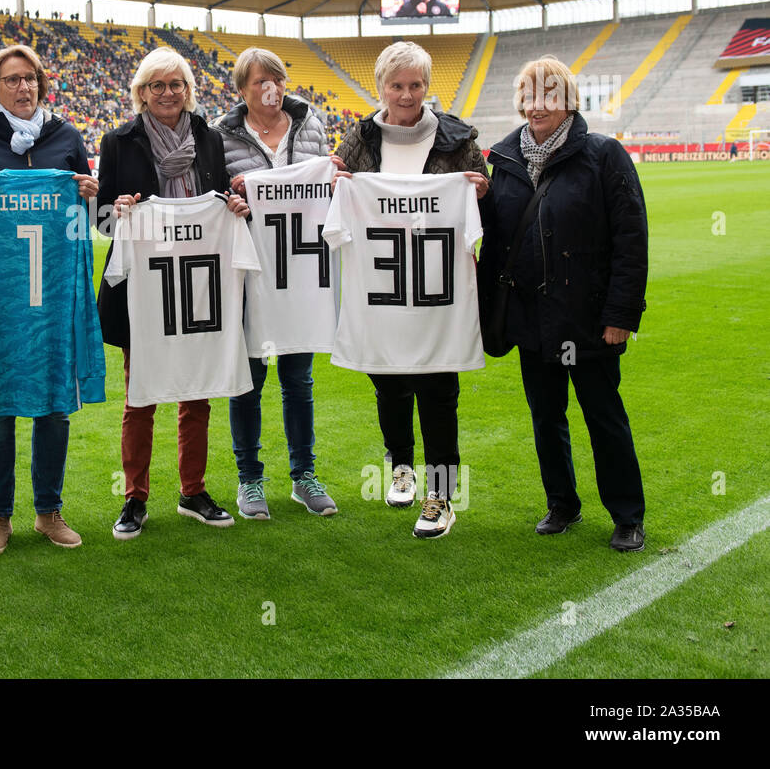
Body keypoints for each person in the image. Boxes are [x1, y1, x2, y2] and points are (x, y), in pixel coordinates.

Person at [479, 55, 648, 551]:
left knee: (603, 415)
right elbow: (496, 240)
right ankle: (562, 504)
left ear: (568, 99)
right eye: (529, 96)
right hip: (531, 319)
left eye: (548, 95)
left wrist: (621, 315)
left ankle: (627, 514)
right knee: (545, 415)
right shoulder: (504, 159)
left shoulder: (603, 154)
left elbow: (630, 240)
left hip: (587, 318)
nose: (537, 106)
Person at [0, 44, 99, 555]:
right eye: (12, 79)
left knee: (55, 404)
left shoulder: (66, 138)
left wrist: (87, 193)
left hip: (53, 294)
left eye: (31, 78)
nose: (24, 87)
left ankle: (48, 511)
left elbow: (87, 221)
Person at [97, 46, 251, 540]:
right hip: (144, 284)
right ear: (141, 93)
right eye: (157, 86)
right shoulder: (118, 141)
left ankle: (193, 490)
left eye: (176, 84)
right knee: (139, 396)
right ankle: (134, 498)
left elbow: (221, 192)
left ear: (189, 89)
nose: (168, 93)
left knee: (198, 391)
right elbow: (101, 219)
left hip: (200, 279)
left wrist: (233, 207)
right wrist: (117, 210)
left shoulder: (209, 137)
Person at [336, 41, 488, 538]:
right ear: (380, 87)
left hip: (439, 290)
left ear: (427, 87)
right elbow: (335, 188)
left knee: (440, 391)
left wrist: (478, 189)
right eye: (396, 85)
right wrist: (337, 180)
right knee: (390, 382)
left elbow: (483, 195)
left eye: (415, 85)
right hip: (380, 288)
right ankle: (400, 463)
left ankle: (441, 495)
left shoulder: (457, 137)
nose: (406, 94)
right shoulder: (358, 138)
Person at [213, 46, 337, 520]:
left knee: (298, 378)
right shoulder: (222, 136)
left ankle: (303, 474)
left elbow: (323, 188)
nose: (271, 88)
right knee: (248, 379)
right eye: (260, 81)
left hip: (301, 270)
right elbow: (215, 195)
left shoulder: (312, 125)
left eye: (277, 79)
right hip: (248, 270)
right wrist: (233, 198)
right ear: (241, 90)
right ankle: (250, 480)